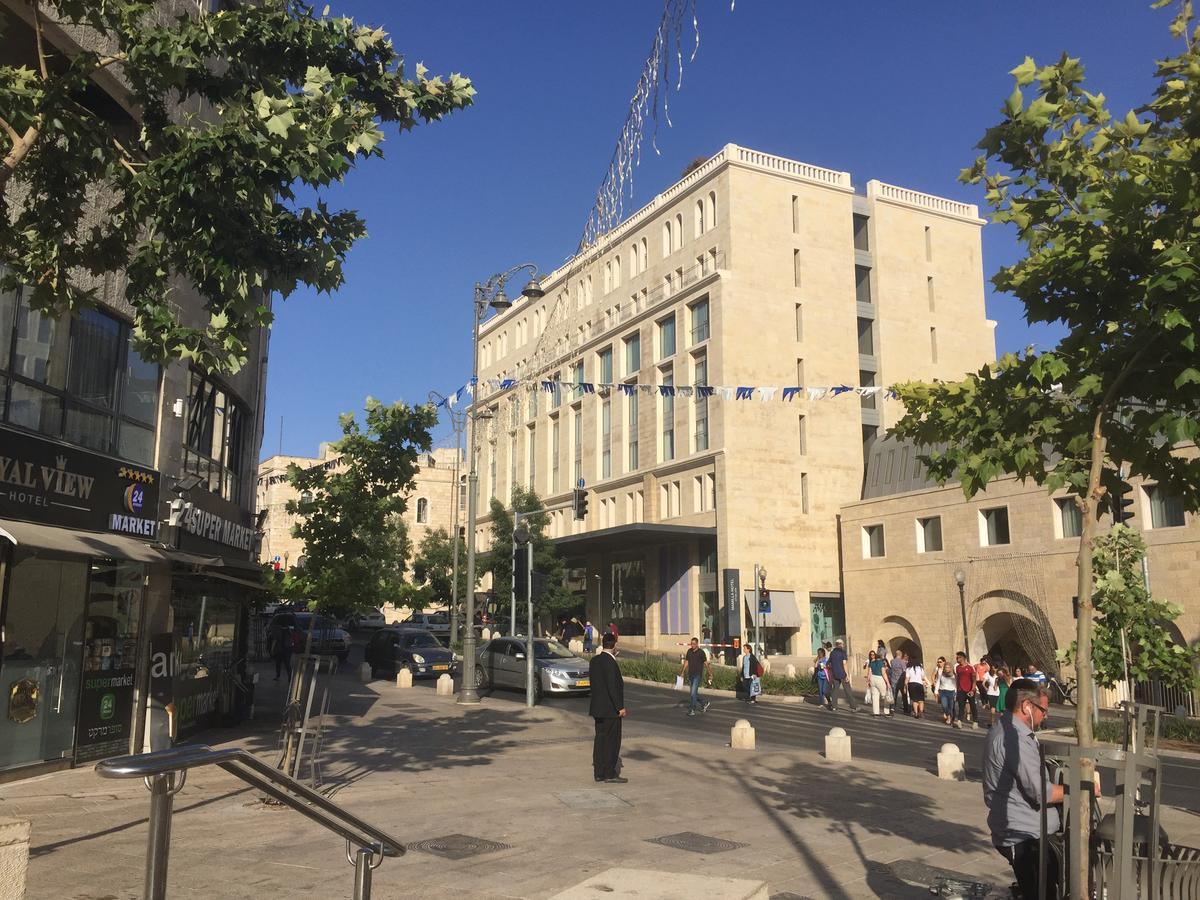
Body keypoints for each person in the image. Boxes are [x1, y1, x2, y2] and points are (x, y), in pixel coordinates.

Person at [982, 678, 1066, 899]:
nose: (1045, 715)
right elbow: (1040, 792)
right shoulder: (1013, 738)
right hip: (1024, 836)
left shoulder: (1012, 731)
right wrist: (1077, 790)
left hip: (1027, 833)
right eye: (1043, 710)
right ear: (1027, 706)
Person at [588, 632, 627, 783]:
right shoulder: (611, 662)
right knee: (612, 741)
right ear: (614, 645)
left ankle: (598, 772)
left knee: (600, 740)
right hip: (611, 710)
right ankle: (610, 773)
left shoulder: (595, 661)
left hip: (598, 708)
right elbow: (612, 686)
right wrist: (620, 707)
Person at [680, 637, 712, 716]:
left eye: (694, 644)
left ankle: (692, 710)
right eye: (691, 644)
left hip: (697, 675)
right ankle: (704, 703)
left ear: (697, 644)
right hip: (690, 674)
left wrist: (710, 673)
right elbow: (686, 662)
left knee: (693, 693)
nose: (692, 645)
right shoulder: (689, 651)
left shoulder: (701, 652)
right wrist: (682, 672)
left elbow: (705, 663)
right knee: (693, 693)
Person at [826, 638, 857, 712]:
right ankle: (853, 706)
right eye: (843, 644)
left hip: (835, 674)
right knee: (848, 690)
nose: (843, 645)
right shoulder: (843, 652)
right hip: (842, 674)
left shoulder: (832, 653)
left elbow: (828, 663)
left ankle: (834, 706)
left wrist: (833, 668)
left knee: (835, 690)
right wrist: (847, 674)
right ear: (841, 644)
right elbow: (845, 664)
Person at [954, 651, 979, 729]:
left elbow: (974, 680)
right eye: (957, 657)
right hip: (961, 690)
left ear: (964, 658)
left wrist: (972, 690)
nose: (957, 659)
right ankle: (959, 721)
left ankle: (975, 722)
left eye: (959, 657)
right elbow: (957, 679)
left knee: (972, 706)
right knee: (961, 706)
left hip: (970, 690)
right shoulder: (957, 667)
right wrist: (957, 690)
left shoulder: (970, 667)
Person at [864, 650, 889, 717]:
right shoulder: (881, 663)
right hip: (879, 678)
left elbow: (869, 673)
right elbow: (883, 673)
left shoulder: (871, 663)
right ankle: (886, 712)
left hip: (872, 678)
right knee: (885, 695)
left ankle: (876, 712)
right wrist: (888, 682)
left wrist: (868, 681)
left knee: (875, 696)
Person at [888, 649, 909, 717]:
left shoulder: (892, 661)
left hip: (893, 680)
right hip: (901, 681)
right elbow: (904, 671)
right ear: (901, 655)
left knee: (894, 695)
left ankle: (892, 708)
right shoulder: (902, 662)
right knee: (904, 695)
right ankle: (906, 709)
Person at [936, 660, 957, 724]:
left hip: (951, 692)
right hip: (943, 691)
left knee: (951, 706)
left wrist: (956, 693)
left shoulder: (954, 675)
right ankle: (948, 716)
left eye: (948, 667)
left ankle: (951, 718)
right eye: (946, 667)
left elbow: (956, 684)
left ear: (951, 668)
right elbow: (938, 682)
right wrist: (936, 691)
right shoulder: (941, 674)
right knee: (944, 705)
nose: (947, 669)